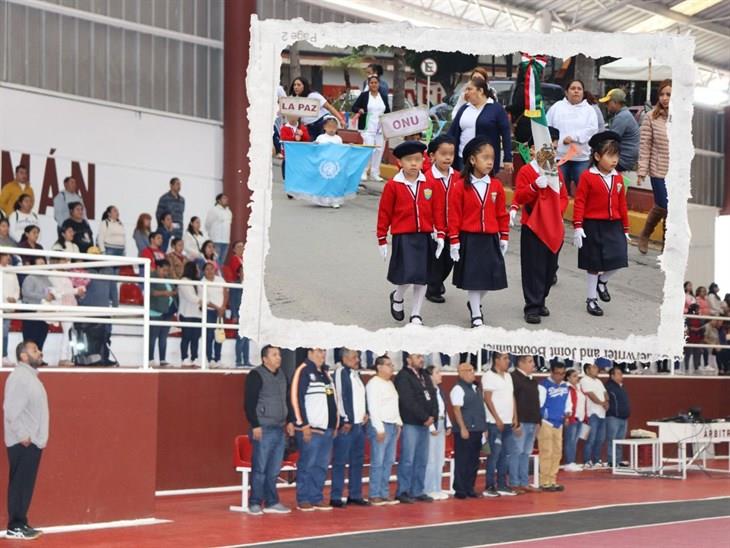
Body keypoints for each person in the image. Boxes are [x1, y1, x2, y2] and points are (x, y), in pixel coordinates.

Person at [448, 137, 509, 327]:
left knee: (492, 277)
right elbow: (454, 215)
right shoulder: (460, 186)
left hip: (490, 237)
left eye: (493, 157)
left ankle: (475, 302)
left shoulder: (496, 185)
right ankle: (476, 314)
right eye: (485, 157)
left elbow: (501, 212)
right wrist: (454, 241)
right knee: (474, 278)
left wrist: (504, 235)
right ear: (473, 160)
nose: (490, 162)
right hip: (470, 238)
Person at [377, 140, 440, 326]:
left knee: (422, 277)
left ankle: (416, 314)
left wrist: (440, 232)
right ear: (400, 163)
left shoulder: (429, 183)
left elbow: (436, 209)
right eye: (409, 160)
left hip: (425, 236)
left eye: (418, 159)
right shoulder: (393, 185)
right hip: (403, 237)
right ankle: (397, 296)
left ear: (423, 161)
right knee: (407, 275)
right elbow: (384, 213)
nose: (414, 164)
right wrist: (381, 238)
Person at [512, 127, 569, 324]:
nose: (548, 152)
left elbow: (563, 197)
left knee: (549, 268)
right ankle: (532, 306)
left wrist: (556, 212)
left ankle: (541, 299)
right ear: (533, 149)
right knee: (533, 268)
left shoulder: (555, 171)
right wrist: (534, 186)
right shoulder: (526, 172)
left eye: (552, 148)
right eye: (543, 147)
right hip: (533, 226)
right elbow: (519, 196)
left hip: (553, 225)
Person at [572, 131, 630, 317]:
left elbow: (622, 203)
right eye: (610, 155)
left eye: (617, 155)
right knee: (594, 263)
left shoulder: (618, 178)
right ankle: (591, 299)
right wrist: (578, 226)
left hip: (614, 224)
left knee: (620, 257)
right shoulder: (588, 176)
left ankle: (602, 282)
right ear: (597, 156)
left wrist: (626, 228)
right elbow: (580, 201)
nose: (614, 160)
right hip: (593, 225)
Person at [3, 340, 48, 540]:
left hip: (31, 442)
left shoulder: (29, 377)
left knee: (24, 485)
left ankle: (21, 523)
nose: (40, 352)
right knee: (20, 485)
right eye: (35, 350)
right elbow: (10, 410)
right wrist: (23, 436)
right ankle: (15, 526)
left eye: (38, 349)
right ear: (23, 356)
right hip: (23, 443)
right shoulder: (20, 377)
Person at [244, 345, 295, 515]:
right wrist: (255, 425)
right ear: (264, 359)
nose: (279, 358)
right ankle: (255, 502)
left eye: (279, 354)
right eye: (274, 355)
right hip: (263, 428)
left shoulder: (282, 375)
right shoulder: (256, 375)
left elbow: (287, 400)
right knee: (260, 468)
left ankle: (272, 501)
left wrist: (290, 420)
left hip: (279, 428)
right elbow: (249, 403)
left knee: (273, 470)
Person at [290, 348, 338, 511]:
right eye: (319, 351)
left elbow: (333, 400)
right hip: (311, 429)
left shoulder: (326, 373)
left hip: (327, 429)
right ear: (309, 352)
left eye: (324, 351)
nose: (322, 354)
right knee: (307, 464)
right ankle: (303, 498)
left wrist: (335, 424)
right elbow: (296, 398)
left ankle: (316, 496)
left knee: (322, 465)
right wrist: (303, 424)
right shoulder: (303, 370)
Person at [393, 352, 437, 503]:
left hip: (425, 424)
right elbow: (407, 400)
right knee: (408, 460)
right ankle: (403, 491)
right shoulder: (403, 376)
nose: (421, 359)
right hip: (411, 422)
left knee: (421, 459)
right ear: (408, 359)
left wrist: (433, 416)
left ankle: (417, 490)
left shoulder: (424, 374)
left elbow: (433, 394)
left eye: (422, 357)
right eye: (417, 356)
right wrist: (425, 417)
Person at [545, 80, 600, 195]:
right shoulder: (556, 107)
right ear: (566, 92)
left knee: (584, 191)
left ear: (583, 93)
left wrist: (575, 137)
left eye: (579, 89)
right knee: (559, 191)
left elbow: (593, 130)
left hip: (581, 159)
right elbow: (547, 127)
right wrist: (558, 140)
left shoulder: (589, 110)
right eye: (573, 88)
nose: (576, 91)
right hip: (559, 158)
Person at [447, 77, 512, 174]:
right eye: (466, 90)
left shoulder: (496, 109)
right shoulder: (464, 108)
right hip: (463, 159)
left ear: (480, 91)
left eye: (469, 89)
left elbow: (506, 134)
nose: (466, 92)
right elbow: (452, 132)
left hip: (485, 161)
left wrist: (508, 158)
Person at [331, 349, 369, 507]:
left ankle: (355, 494)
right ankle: (336, 496)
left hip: (359, 424)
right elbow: (340, 396)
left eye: (358, 357)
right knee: (340, 461)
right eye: (354, 357)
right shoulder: (340, 372)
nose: (357, 359)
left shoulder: (356, 374)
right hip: (347, 425)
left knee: (357, 461)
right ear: (344, 358)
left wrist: (366, 412)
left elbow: (361, 396)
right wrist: (345, 418)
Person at [425, 135, 460, 304]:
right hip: (434, 230)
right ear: (432, 156)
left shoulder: (459, 177)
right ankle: (433, 288)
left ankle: (437, 282)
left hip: (453, 229)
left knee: (450, 261)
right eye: (443, 153)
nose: (448, 158)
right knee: (436, 261)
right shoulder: (425, 178)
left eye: (451, 154)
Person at [637, 80, 671, 254]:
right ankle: (646, 234)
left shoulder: (686, 117)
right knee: (666, 206)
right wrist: (642, 171)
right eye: (662, 94)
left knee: (669, 208)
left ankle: (667, 245)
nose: (665, 98)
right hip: (658, 170)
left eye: (669, 95)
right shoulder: (651, 117)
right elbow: (644, 145)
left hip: (679, 172)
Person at [365, 355, 402, 506]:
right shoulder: (373, 384)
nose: (392, 367)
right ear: (379, 367)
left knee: (388, 461)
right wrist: (379, 429)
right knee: (378, 461)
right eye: (388, 365)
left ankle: (384, 493)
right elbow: (373, 408)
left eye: (392, 365)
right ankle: (374, 494)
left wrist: (398, 423)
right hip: (381, 425)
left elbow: (394, 405)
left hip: (392, 425)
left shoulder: (390, 384)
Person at [482, 351, 517, 497]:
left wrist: (516, 416)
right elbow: (487, 399)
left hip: (509, 421)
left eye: (508, 358)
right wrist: (497, 419)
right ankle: (489, 486)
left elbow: (512, 397)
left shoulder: (508, 376)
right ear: (496, 360)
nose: (508, 361)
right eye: (504, 358)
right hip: (495, 423)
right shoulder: (488, 376)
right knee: (494, 455)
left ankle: (502, 484)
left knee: (505, 454)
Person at [449, 362, 487, 499]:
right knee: (462, 461)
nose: (473, 373)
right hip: (465, 431)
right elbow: (456, 409)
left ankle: (470, 487)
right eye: (470, 370)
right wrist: (463, 428)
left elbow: (480, 409)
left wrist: (483, 428)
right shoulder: (458, 389)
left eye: (473, 370)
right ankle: (460, 489)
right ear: (462, 372)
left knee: (473, 461)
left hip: (477, 429)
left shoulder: (475, 388)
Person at [77, 248, 118, 366]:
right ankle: (89, 359)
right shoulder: (84, 271)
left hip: (104, 308)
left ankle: (104, 358)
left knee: (106, 335)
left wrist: (115, 306)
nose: (96, 257)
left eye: (97, 254)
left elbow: (113, 289)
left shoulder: (109, 270)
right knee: (90, 336)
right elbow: (79, 289)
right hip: (88, 309)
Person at [510, 355, 541, 494]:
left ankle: (524, 482)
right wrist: (515, 421)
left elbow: (536, 402)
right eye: (530, 362)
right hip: (521, 421)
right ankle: (514, 483)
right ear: (520, 363)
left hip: (532, 422)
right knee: (516, 452)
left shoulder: (532, 380)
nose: (533, 364)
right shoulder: (513, 378)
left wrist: (538, 421)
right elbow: (511, 401)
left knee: (526, 453)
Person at [537, 362, 571, 491]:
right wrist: (540, 419)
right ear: (551, 372)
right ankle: (544, 481)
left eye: (563, 374)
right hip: (546, 422)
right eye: (557, 373)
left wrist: (567, 415)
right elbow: (539, 404)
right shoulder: (543, 385)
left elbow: (568, 403)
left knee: (557, 452)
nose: (560, 376)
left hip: (559, 422)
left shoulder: (565, 386)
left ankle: (552, 479)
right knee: (547, 451)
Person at [48, 257, 86, 366]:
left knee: (71, 332)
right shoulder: (53, 274)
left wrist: (78, 292)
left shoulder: (65, 275)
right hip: (63, 306)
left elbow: (67, 290)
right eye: (63, 260)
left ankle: (69, 356)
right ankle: (63, 357)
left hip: (71, 305)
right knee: (67, 332)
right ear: (57, 262)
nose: (66, 263)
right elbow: (60, 291)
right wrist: (76, 291)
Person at [352, 74, 390, 182]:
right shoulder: (364, 95)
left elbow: (387, 111)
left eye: (375, 83)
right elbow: (354, 107)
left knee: (379, 149)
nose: (373, 84)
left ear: (379, 84)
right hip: (367, 127)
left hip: (380, 128)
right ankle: (364, 171)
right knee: (368, 148)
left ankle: (375, 173)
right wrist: (359, 110)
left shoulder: (383, 96)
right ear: (368, 84)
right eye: (371, 83)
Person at [424, 365, 451, 501]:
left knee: (439, 459)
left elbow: (443, 409)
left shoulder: (440, 390)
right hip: (432, 426)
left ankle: (437, 487)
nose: (440, 375)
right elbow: (427, 410)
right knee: (431, 459)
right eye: (437, 373)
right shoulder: (426, 392)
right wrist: (431, 428)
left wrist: (448, 424)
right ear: (430, 376)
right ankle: (428, 488)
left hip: (440, 423)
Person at [288, 77, 345, 141]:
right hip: (310, 127)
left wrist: (341, 120)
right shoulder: (294, 100)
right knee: (313, 146)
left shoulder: (313, 95)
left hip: (322, 123)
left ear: (304, 86)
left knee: (324, 143)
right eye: (294, 85)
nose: (296, 87)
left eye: (299, 85)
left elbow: (329, 107)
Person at [599, 89, 640, 173]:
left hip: (623, 160)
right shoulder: (625, 114)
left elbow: (610, 140)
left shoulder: (622, 117)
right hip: (628, 158)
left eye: (608, 103)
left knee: (595, 164)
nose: (606, 106)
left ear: (615, 102)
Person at [20, 257, 55, 352]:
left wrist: (53, 295)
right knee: (31, 337)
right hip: (31, 310)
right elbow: (27, 293)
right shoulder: (30, 278)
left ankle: (38, 356)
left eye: (44, 263)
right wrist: (43, 296)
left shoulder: (47, 279)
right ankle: (29, 357)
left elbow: (51, 291)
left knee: (42, 334)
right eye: (40, 263)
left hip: (44, 311)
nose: (42, 265)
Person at [580, 360, 609, 467]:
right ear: (587, 370)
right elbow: (590, 395)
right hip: (592, 414)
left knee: (600, 439)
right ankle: (587, 460)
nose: (597, 370)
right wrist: (602, 403)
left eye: (596, 368)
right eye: (594, 368)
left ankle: (597, 460)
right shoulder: (584, 380)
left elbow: (605, 393)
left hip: (602, 413)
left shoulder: (598, 381)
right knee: (591, 439)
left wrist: (606, 402)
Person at [149, 259, 176, 367]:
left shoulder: (168, 278)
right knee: (152, 336)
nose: (166, 273)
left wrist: (173, 292)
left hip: (167, 311)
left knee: (163, 336)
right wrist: (165, 293)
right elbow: (151, 292)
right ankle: (150, 359)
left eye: (167, 271)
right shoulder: (151, 276)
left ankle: (163, 359)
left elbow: (174, 289)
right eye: (164, 270)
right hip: (155, 311)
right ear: (158, 268)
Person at [203, 261, 227, 366]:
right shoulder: (202, 282)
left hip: (221, 311)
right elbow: (205, 300)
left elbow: (226, 293)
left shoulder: (220, 280)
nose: (209, 271)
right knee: (209, 336)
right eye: (207, 269)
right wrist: (218, 308)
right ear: (204, 271)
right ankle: (210, 359)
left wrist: (223, 307)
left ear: (215, 270)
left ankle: (218, 359)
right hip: (210, 312)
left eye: (211, 269)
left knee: (219, 336)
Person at [605, 366, 630, 467]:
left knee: (619, 441)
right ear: (612, 376)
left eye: (621, 373)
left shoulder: (621, 387)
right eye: (618, 374)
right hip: (613, 417)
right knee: (612, 440)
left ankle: (618, 460)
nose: (621, 375)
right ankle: (612, 461)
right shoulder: (609, 387)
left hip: (623, 418)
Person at [178, 262, 202, 367]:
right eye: (196, 269)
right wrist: (202, 301)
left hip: (197, 314)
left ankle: (194, 357)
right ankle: (184, 357)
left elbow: (202, 295)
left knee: (195, 338)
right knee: (186, 337)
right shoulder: (184, 281)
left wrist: (202, 301)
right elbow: (191, 298)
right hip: (186, 313)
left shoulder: (197, 283)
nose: (198, 271)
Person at [563, 369, 586, 472]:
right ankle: (569, 462)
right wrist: (568, 417)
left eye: (577, 376)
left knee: (575, 441)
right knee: (570, 441)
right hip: (572, 417)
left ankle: (573, 462)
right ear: (568, 378)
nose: (577, 378)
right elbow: (568, 404)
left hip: (580, 417)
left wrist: (585, 417)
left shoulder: (579, 388)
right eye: (574, 376)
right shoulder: (567, 388)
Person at [278, 115, 310, 185]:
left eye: (294, 116)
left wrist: (302, 134)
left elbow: (307, 139)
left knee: (297, 171)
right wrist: (294, 138)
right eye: (290, 116)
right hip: (288, 155)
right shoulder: (284, 128)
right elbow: (284, 138)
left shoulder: (302, 127)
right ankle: (287, 183)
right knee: (287, 170)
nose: (292, 118)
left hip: (299, 155)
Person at [1, 253, 20, 366]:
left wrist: (14, 298)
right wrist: (4, 298)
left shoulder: (12, 270)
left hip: (9, 306)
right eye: (5, 255)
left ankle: (3, 355)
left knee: (5, 332)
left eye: (9, 255)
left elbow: (17, 287)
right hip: (1, 303)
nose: (8, 257)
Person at [205, 193, 233, 261]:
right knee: (215, 261)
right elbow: (207, 224)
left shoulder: (229, 212)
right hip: (216, 240)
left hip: (226, 240)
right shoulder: (214, 210)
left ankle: (219, 272)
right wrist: (211, 234)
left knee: (222, 261)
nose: (226, 200)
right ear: (218, 200)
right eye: (224, 198)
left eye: (226, 198)